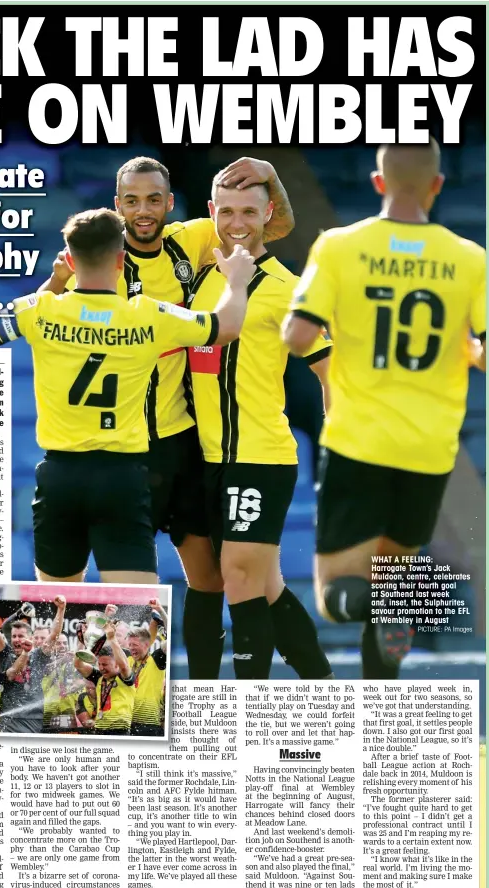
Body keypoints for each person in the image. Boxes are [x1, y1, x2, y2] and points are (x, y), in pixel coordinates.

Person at [42, 156, 294, 650]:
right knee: (113, 592)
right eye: (131, 201)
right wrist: (53, 283)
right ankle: (88, 698)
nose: (143, 210)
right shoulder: (100, 261)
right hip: (123, 451)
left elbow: (269, 224)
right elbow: (47, 315)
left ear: (170, 204)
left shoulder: (193, 238)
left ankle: (198, 695)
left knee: (209, 580)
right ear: (116, 208)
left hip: (179, 442)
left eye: (153, 199)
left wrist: (269, 174)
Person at [0, 209, 256, 584]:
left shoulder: (42, 310)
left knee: (55, 614)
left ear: (70, 260)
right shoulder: (147, 314)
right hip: (121, 477)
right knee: (135, 619)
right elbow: (226, 327)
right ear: (121, 260)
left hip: (60, 475)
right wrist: (236, 282)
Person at [282, 139, 486, 679]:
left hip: (358, 442)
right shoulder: (469, 258)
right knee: (393, 585)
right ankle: (381, 712)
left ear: (379, 182)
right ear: (437, 186)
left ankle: (382, 612)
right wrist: (467, 349)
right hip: (429, 450)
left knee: (337, 596)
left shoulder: (340, 246)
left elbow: (298, 336)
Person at [187, 179, 335, 681]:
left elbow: (329, 369)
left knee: (240, 577)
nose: (236, 224)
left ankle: (249, 713)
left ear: (269, 212)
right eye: (226, 212)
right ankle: (323, 686)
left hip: (260, 457)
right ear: (212, 212)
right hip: (204, 457)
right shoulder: (200, 279)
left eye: (249, 212)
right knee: (264, 585)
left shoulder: (289, 290)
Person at [0, 588, 66, 733]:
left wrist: (61, 609)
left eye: (21, 636)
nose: (16, 640)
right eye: (14, 636)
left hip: (34, 718)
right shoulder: (5, 654)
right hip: (9, 719)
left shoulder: (39, 655)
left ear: (31, 638)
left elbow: (54, 635)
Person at [74, 622, 137, 736]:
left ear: (116, 664)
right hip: (99, 730)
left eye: (105, 665)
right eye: (99, 664)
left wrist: (112, 638)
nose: (101, 668)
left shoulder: (125, 677)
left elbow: (124, 665)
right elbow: (78, 665)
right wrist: (82, 642)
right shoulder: (99, 677)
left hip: (120, 732)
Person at [126, 600, 169, 737]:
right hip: (126, 723)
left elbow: (171, 640)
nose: (132, 648)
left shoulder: (156, 660)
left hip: (149, 725)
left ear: (147, 644)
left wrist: (161, 611)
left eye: (135, 645)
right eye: (130, 644)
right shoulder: (128, 660)